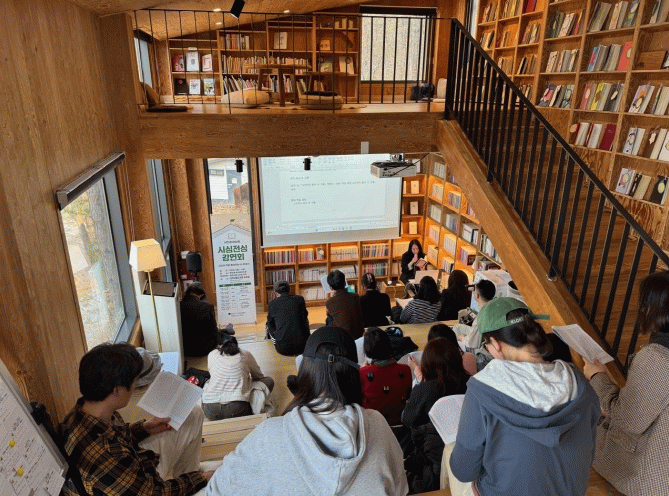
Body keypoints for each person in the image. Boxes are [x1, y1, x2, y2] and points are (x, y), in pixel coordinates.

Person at [205, 326, 409, 496]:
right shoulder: (378, 425)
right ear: (355, 375)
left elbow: (216, 490)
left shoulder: (269, 433)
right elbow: (400, 488)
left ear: (305, 372)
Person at [446, 297, 600, 496]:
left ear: (495, 344)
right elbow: (588, 455)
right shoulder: (580, 384)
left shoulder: (482, 389)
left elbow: (464, 470)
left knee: (450, 454)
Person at [60, 343, 212, 496]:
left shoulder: (81, 412)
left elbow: (115, 436)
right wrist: (202, 479)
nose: (134, 389)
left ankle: (190, 477)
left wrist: (144, 428)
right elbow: (153, 493)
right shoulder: (108, 454)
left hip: (130, 473)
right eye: (133, 383)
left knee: (192, 414)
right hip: (141, 488)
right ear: (117, 391)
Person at [583, 270, 669, 496]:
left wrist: (597, 376)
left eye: (643, 303)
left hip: (651, 479)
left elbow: (627, 420)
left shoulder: (657, 358)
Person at [403, 337, 470, 494]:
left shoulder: (424, 389)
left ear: (427, 363)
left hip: (431, 455)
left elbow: (407, 420)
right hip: (466, 451)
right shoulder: (471, 383)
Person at [202, 331, 274, 421]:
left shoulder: (212, 354)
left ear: (219, 345)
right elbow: (258, 376)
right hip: (237, 410)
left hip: (210, 410)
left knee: (208, 382)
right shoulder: (245, 354)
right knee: (268, 381)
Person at [359, 327, 412, 425]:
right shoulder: (405, 370)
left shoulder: (362, 373)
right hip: (400, 424)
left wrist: (363, 370)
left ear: (367, 348)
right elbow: (408, 396)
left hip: (373, 425)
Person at [454, 279, 496, 371]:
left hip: (484, 354)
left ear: (477, 295)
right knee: (457, 327)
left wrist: (462, 338)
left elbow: (471, 343)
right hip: (488, 343)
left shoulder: (480, 317)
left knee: (457, 332)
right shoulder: (495, 307)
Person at [410, 324, 477, 378]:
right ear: (453, 339)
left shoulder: (434, 365)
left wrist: (416, 367)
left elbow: (427, 384)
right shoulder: (470, 357)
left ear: (431, 346)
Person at [266, 280, 310, 356]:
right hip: (303, 346)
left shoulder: (272, 303)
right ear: (289, 289)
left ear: (275, 292)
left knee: (269, 324)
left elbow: (270, 323)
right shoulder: (300, 299)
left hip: (283, 349)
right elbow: (305, 316)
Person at [180, 282, 219, 357]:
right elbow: (213, 331)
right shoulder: (208, 306)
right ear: (201, 294)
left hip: (185, 349)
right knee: (220, 333)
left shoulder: (179, 305)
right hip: (204, 349)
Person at [325, 269, 365, 340]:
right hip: (359, 335)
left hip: (343, 338)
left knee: (328, 319)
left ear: (331, 288)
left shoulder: (329, 302)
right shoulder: (355, 296)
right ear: (345, 283)